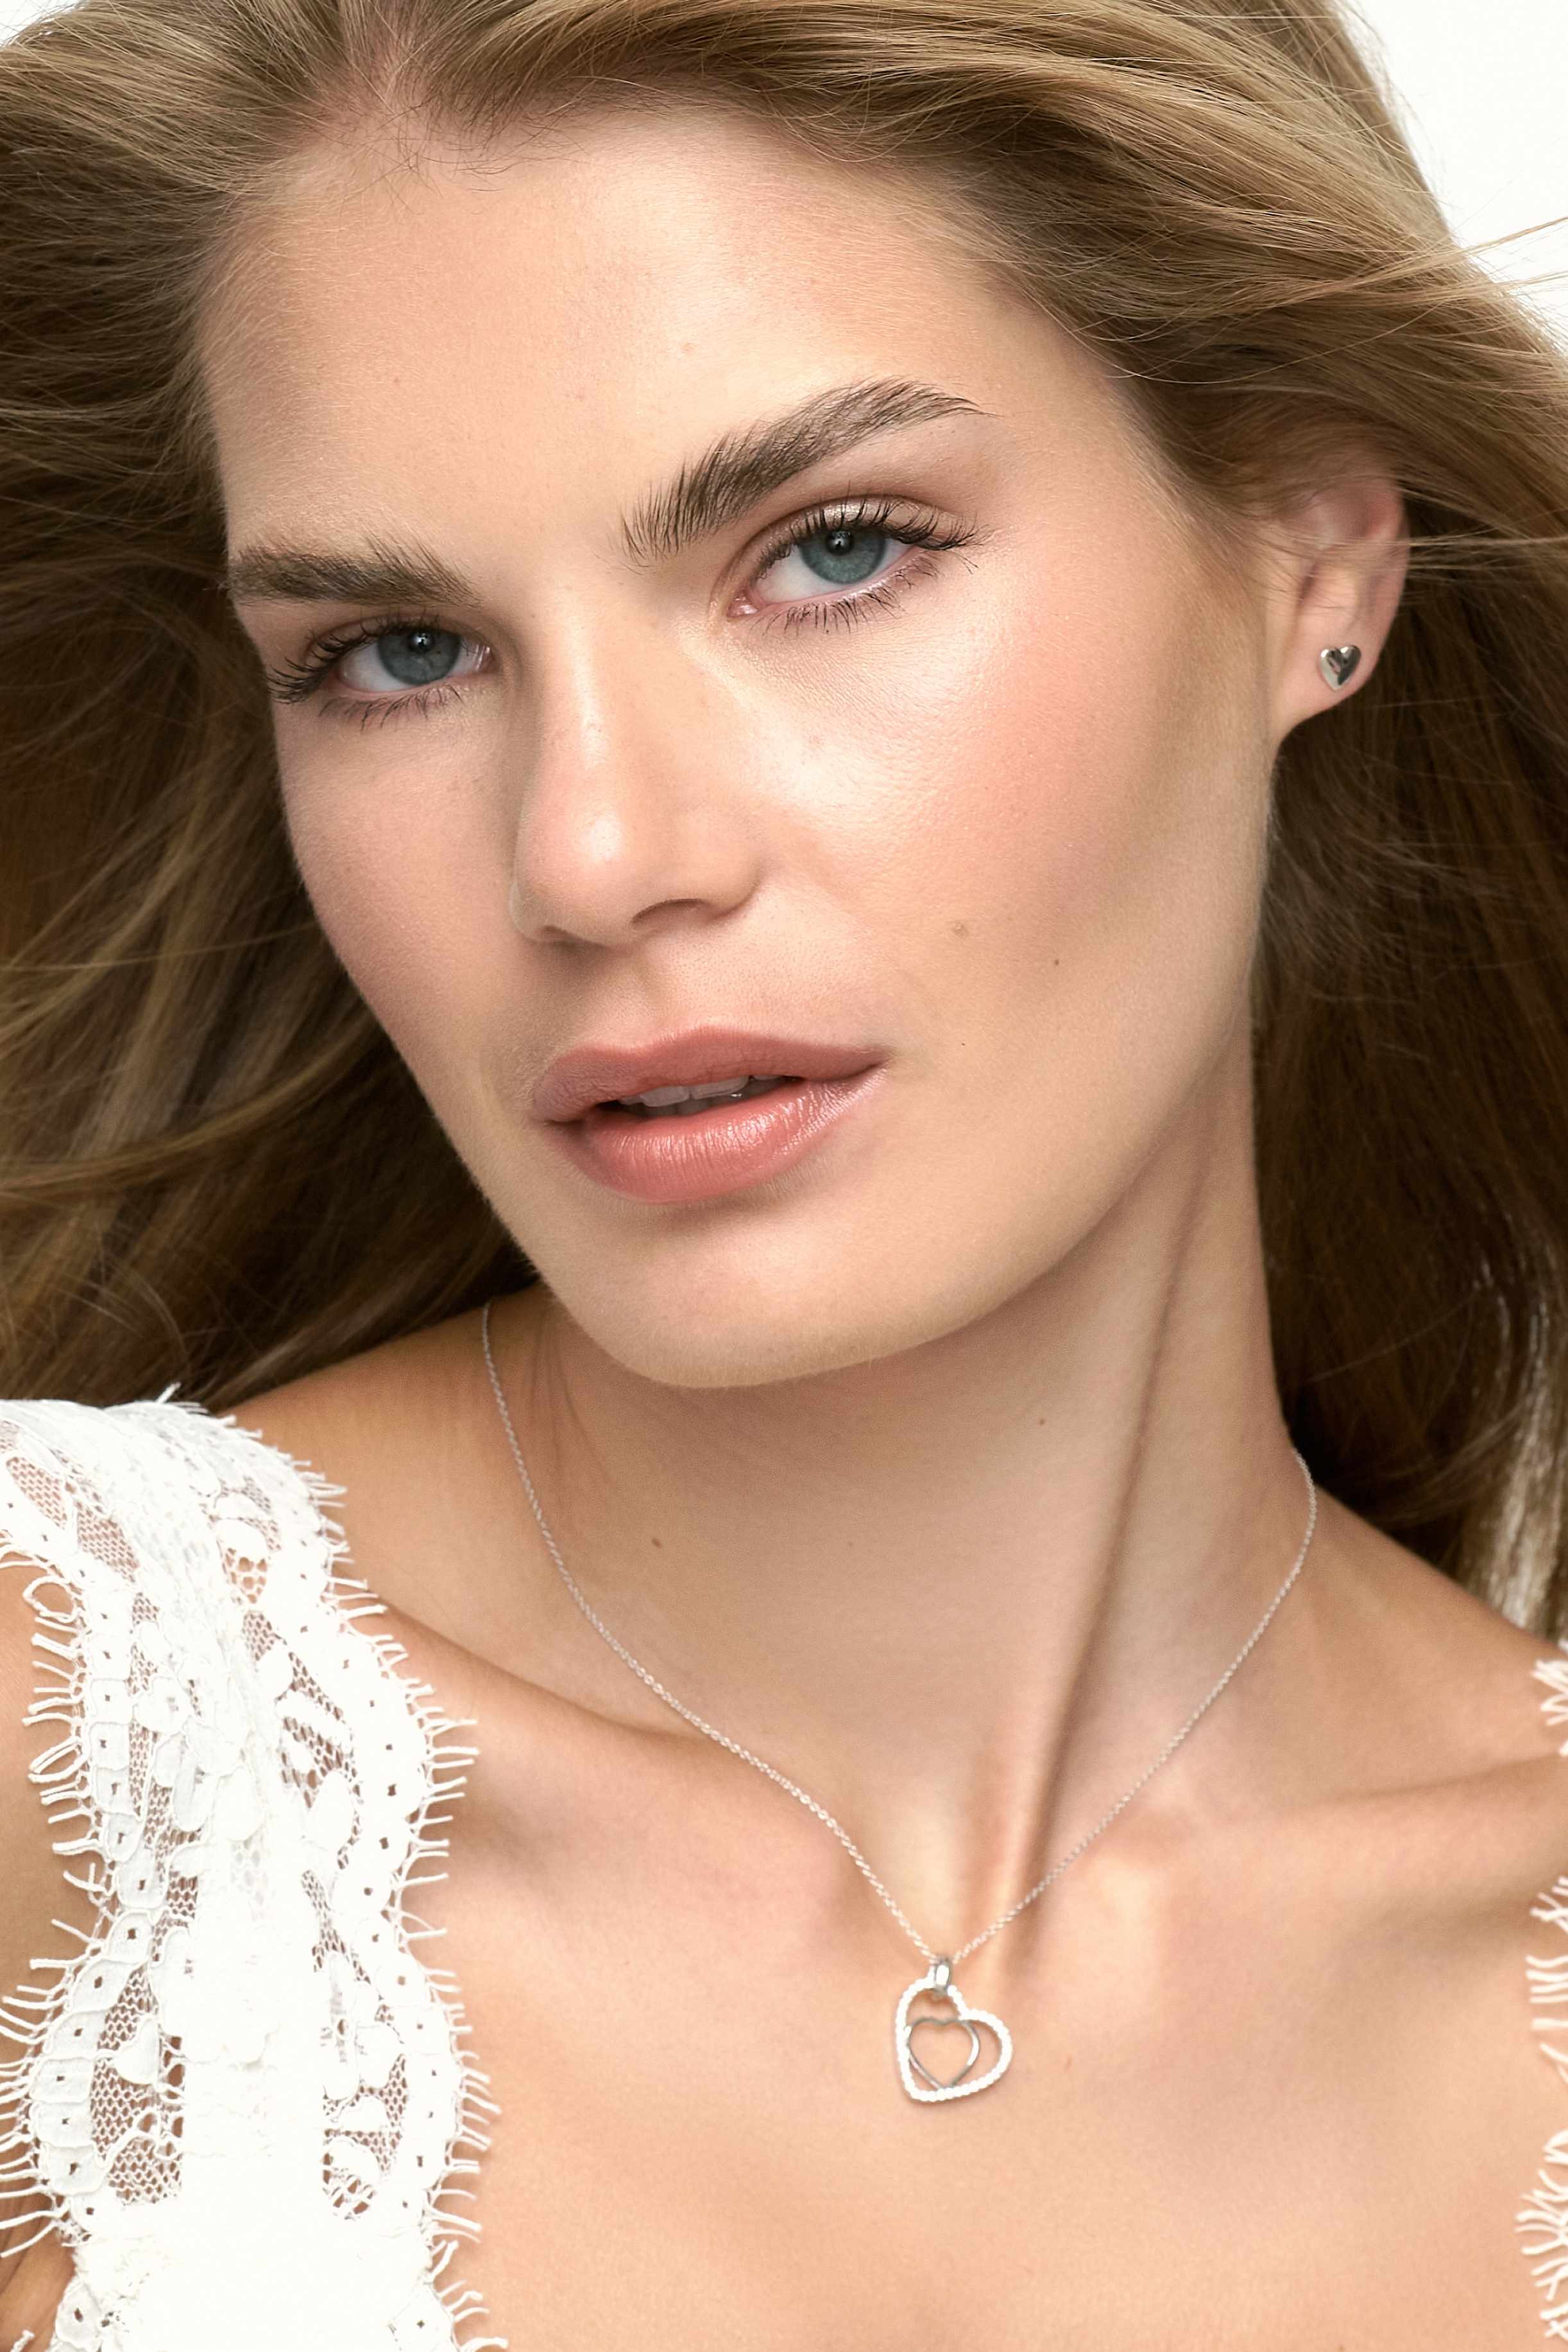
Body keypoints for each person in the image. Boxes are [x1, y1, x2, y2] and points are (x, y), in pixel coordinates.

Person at [3, 0, 1568, 2342]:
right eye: (398, 651)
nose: (591, 850)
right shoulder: (65, 1767)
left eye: (831, 553)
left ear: (1311, 564)